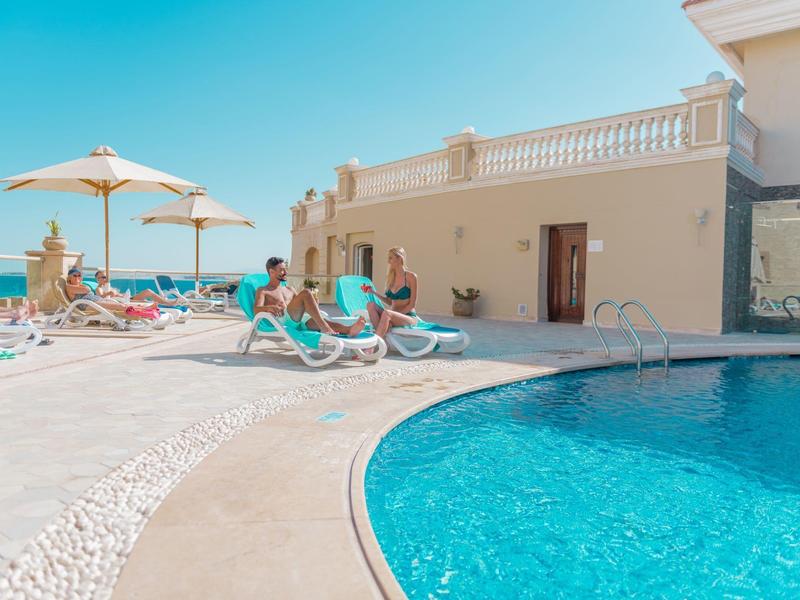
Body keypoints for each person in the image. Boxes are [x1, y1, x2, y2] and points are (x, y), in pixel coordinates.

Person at [254, 257, 366, 337]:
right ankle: (325, 328)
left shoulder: (289, 289)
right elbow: (256, 310)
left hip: (300, 321)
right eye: (282, 270)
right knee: (306, 292)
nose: (285, 272)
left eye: (285, 269)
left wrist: (314, 302)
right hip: (284, 321)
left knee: (323, 321)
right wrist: (269, 307)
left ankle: (349, 330)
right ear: (272, 272)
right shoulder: (263, 290)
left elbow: (302, 307)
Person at [362, 246, 419, 341]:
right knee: (370, 305)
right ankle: (382, 340)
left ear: (399, 258)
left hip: (407, 317)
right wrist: (373, 292)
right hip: (391, 315)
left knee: (387, 314)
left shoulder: (411, 277)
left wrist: (392, 315)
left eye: (390, 258)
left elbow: (412, 304)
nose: (388, 261)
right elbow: (389, 302)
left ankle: (372, 345)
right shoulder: (391, 278)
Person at [64, 268, 158, 312]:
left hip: (95, 300)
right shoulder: (69, 286)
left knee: (121, 304)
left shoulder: (79, 285)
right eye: (75, 275)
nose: (77, 277)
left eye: (79, 275)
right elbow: (87, 289)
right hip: (87, 304)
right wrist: (80, 283)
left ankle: (144, 308)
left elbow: (85, 290)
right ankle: (145, 310)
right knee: (120, 306)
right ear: (69, 278)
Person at [93, 270, 177, 305]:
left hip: (127, 298)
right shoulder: (98, 288)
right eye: (103, 277)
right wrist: (110, 293)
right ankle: (167, 303)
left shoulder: (107, 286)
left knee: (147, 294)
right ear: (97, 279)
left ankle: (166, 303)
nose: (105, 278)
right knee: (147, 294)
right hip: (125, 302)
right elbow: (101, 297)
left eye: (106, 277)